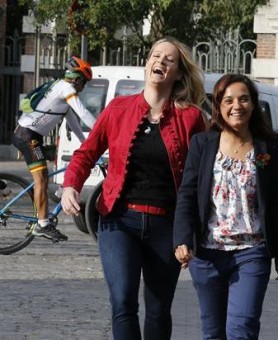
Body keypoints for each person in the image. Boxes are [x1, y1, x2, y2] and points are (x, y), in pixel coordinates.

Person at [60, 37, 206, 339]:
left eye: (169, 59)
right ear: (147, 64)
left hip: (166, 224)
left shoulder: (190, 117)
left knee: (158, 308)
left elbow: (200, 178)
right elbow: (86, 153)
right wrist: (70, 186)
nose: (161, 62)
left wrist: (191, 231)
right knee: (123, 300)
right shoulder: (118, 109)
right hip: (118, 220)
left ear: (178, 73)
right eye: (156, 56)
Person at [173, 74, 278, 340]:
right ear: (218, 106)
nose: (236, 106)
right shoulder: (203, 145)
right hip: (207, 255)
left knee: (241, 329)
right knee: (213, 333)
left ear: (253, 104)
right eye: (228, 100)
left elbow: (275, 201)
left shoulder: (265, 148)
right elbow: (187, 195)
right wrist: (182, 239)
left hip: (252, 252)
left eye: (243, 99)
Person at [11, 56, 96, 241]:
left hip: (32, 135)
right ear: (77, 79)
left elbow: (73, 121)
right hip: (26, 136)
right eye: (84, 83)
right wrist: (102, 130)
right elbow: (83, 113)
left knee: (44, 177)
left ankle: (40, 216)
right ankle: (42, 224)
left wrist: (86, 142)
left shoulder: (61, 88)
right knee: (41, 178)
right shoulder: (66, 88)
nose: (83, 88)